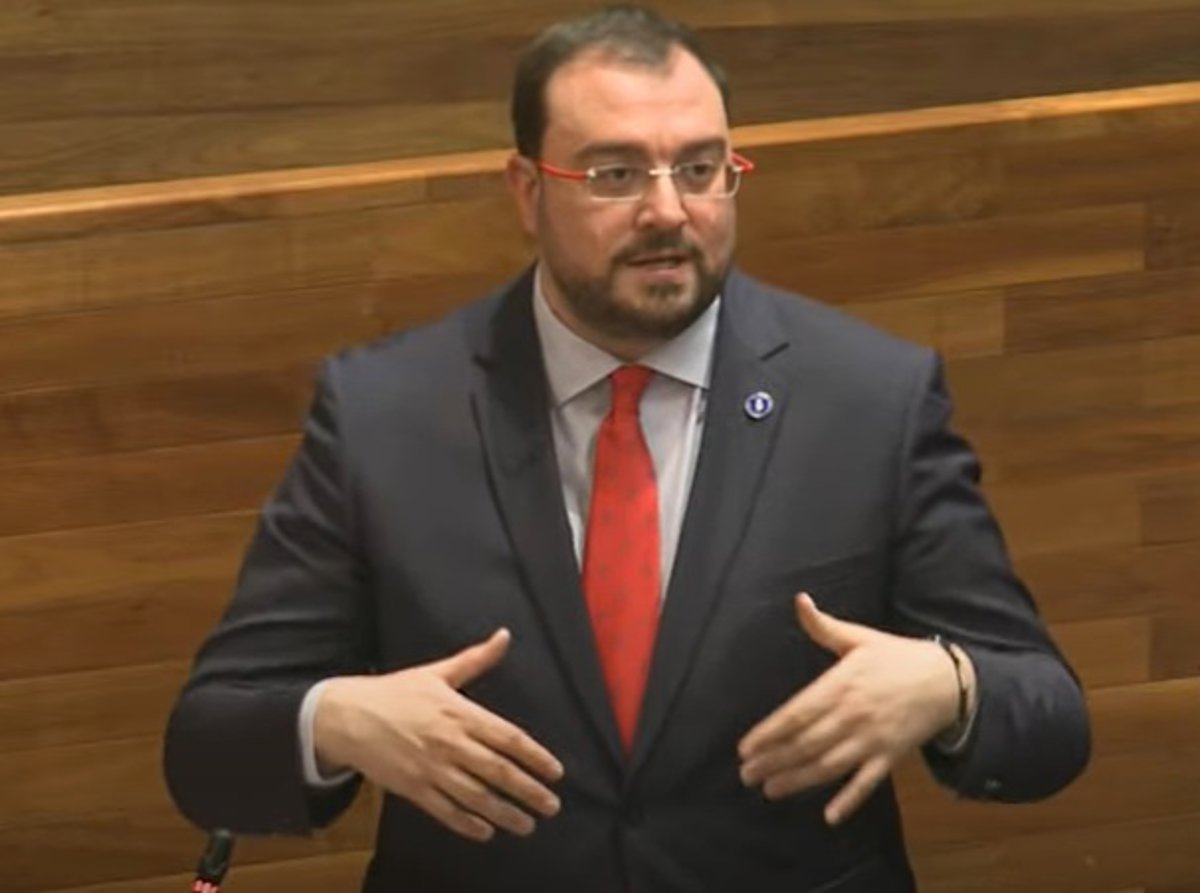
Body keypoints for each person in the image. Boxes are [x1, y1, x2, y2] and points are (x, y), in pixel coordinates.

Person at [163, 6, 1090, 891]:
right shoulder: (384, 414)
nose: (668, 211)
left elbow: (1050, 720)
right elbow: (206, 748)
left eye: (700, 168)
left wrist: (951, 685)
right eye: (615, 174)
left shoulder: (870, 399)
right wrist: (337, 721)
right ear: (528, 191)